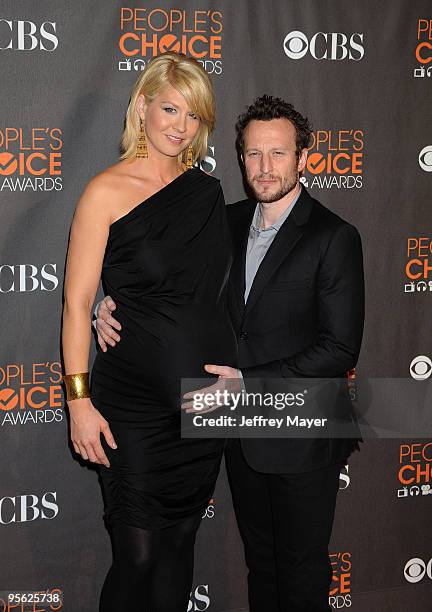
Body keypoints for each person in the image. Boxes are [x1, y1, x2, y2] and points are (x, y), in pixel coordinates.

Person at [95, 95, 365, 611]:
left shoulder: (334, 236)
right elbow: (161, 275)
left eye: (278, 154)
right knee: (260, 563)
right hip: (239, 433)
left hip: (305, 430)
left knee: (302, 569)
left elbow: (339, 347)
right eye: (253, 154)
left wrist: (248, 381)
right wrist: (107, 303)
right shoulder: (224, 220)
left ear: (303, 158)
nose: (264, 168)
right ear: (240, 158)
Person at [61, 51, 237, 612]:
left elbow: (217, 295)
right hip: (130, 408)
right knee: (135, 555)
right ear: (142, 106)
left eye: (193, 116)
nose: (180, 125)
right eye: (169, 108)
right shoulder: (104, 192)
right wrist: (79, 402)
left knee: (181, 545)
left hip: (202, 403)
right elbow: (76, 302)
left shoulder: (207, 194)